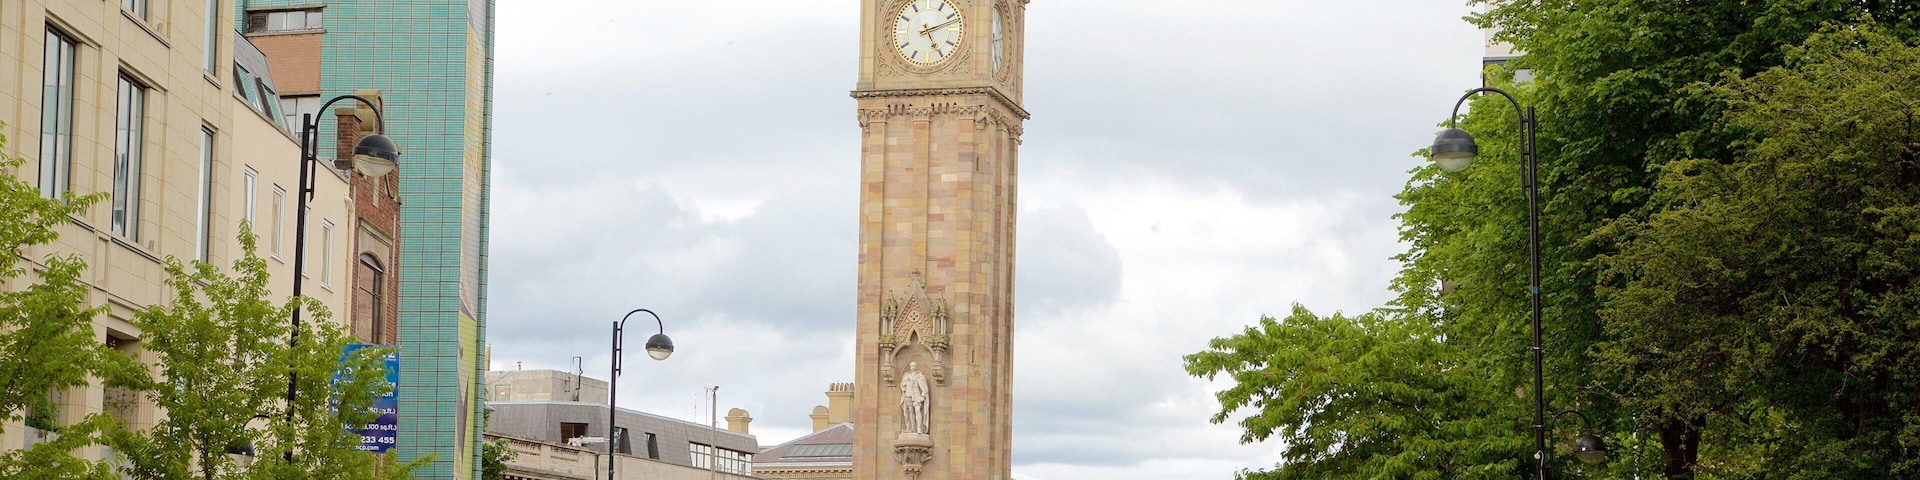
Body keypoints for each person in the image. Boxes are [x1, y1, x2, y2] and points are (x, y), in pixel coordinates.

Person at [900, 362, 930, 434]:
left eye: (914, 366)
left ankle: (919, 428)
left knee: (917, 410)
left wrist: (922, 397)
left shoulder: (920, 375)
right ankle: (911, 428)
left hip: (917, 396)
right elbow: (902, 385)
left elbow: (924, 388)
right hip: (908, 395)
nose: (912, 367)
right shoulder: (906, 375)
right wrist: (904, 385)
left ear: (916, 366)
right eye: (911, 366)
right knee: (910, 412)